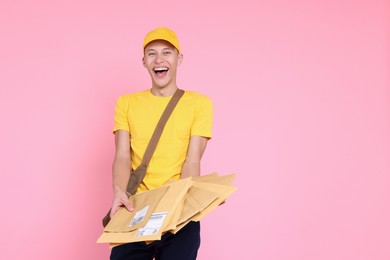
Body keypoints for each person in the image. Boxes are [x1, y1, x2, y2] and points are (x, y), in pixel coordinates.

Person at [109, 27, 213, 260]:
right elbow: (122, 156)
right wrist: (118, 191)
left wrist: (184, 203)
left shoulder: (199, 104)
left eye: (167, 52)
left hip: (179, 211)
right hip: (136, 209)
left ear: (179, 59)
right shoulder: (126, 103)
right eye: (151, 54)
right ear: (144, 61)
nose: (159, 59)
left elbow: (192, 160)